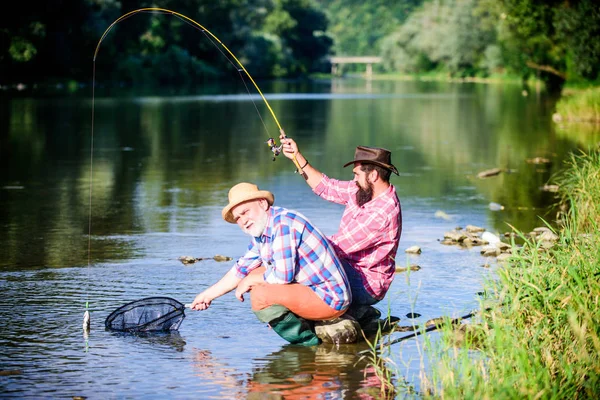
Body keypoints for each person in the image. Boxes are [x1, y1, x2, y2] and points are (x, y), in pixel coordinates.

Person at [190, 182, 352, 346]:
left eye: (245, 212)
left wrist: (251, 282)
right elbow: (240, 269)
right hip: (312, 289)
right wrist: (207, 295)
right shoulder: (263, 230)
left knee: (260, 296)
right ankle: (300, 322)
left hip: (330, 298)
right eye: (238, 217)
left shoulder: (282, 225)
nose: (244, 220)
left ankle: (308, 344)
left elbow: (283, 276)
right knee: (254, 274)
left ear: (263, 203)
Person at [279, 136, 402, 321]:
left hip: (365, 285)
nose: (354, 179)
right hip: (348, 268)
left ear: (373, 176)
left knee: (302, 264)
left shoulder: (383, 213)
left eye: (356, 174)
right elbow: (326, 187)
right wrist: (297, 156)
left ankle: (311, 317)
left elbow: (335, 246)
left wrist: (292, 246)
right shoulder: (363, 190)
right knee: (297, 264)